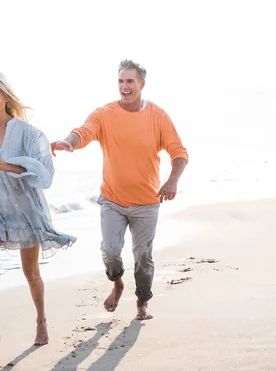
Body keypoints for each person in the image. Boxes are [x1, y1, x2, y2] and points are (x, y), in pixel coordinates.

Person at [50, 60, 189, 320]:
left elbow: (179, 152)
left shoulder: (158, 116)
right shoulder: (104, 113)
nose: (124, 87)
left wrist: (172, 180)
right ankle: (117, 283)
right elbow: (84, 131)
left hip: (147, 201)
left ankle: (142, 302)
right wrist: (69, 142)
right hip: (112, 199)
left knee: (143, 256)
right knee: (111, 250)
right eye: (121, 81)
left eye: (130, 81)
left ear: (141, 85)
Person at [0, 70, 76, 356]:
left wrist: (7, 166)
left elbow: (43, 173)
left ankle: (41, 320)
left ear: (6, 97)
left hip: (24, 207)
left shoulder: (28, 133)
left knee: (30, 271)